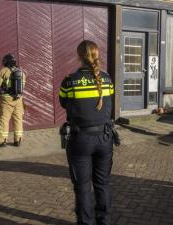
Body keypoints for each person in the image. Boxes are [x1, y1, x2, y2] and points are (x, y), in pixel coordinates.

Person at [59, 40, 115, 225]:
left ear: (79, 56)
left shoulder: (69, 81)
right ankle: (104, 221)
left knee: (83, 187)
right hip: (105, 138)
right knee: (102, 184)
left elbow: (64, 103)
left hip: (80, 140)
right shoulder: (107, 79)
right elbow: (108, 103)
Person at [0, 53, 26, 147]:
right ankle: (17, 140)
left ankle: (1, 141)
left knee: (4, 119)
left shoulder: (4, 70)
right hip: (18, 99)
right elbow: (22, 86)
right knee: (18, 119)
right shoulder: (21, 72)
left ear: (5, 62)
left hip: (7, 99)